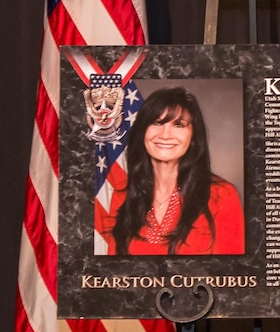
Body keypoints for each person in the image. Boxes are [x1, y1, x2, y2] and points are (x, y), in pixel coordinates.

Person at [98, 88, 246, 256]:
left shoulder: (222, 196)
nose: (165, 135)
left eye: (178, 125)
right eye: (156, 123)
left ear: (193, 139)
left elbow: (230, 276)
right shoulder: (123, 194)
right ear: (141, 133)